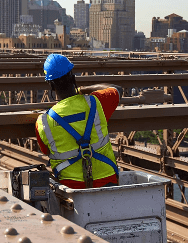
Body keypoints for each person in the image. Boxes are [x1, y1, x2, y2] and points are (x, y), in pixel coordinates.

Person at [35, 54, 123, 189]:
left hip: (71, 190)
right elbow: (117, 89)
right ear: (73, 77)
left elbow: (46, 150)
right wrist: (82, 89)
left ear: (51, 85)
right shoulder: (96, 102)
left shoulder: (43, 121)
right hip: (107, 182)